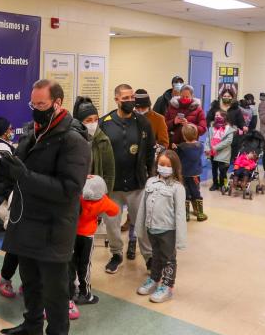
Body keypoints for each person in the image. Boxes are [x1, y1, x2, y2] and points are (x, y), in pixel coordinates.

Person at [0, 79, 90, 335]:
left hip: (53, 225)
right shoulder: (34, 132)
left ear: (57, 103)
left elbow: (68, 189)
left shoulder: (73, 140)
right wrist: (9, 163)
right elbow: (23, 166)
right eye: (32, 104)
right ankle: (32, 324)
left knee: (54, 288)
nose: (36, 110)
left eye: (41, 105)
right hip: (26, 220)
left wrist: (23, 175)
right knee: (31, 280)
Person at [101, 84, 155, 272]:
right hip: (112, 186)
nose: (130, 101)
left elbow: (150, 152)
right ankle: (116, 254)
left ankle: (149, 257)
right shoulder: (104, 123)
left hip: (137, 184)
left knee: (142, 223)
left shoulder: (143, 123)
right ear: (116, 99)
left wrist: (152, 178)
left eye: (132, 97)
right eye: (125, 98)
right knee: (112, 224)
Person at [134, 150, 187, 304]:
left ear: (174, 167)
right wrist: (140, 227)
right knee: (155, 254)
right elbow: (143, 207)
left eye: (168, 165)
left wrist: (180, 239)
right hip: (152, 228)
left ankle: (167, 287)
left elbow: (180, 215)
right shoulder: (150, 182)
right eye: (161, 164)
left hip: (167, 230)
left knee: (169, 258)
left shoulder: (178, 188)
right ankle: (154, 279)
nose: (163, 167)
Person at [70, 175, 119, 313]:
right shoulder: (103, 201)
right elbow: (114, 210)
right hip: (88, 237)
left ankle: (72, 289)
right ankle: (85, 294)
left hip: (73, 234)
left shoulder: (78, 197)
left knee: (72, 263)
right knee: (85, 265)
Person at [0, 118, 22, 298]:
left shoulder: (6, 144)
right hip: (5, 191)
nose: (12, 130)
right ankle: (5, 278)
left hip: (13, 188)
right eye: (9, 128)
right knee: (17, 242)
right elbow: (13, 165)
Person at [74, 96, 115, 192]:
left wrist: (105, 195)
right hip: (75, 193)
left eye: (96, 119)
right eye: (88, 120)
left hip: (96, 194)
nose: (93, 123)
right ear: (79, 122)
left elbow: (109, 173)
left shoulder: (103, 140)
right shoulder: (71, 139)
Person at [177, 124, 207, 221]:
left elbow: (178, 157)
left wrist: (175, 148)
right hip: (195, 174)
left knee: (185, 193)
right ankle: (200, 214)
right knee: (196, 192)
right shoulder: (200, 146)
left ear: (184, 135)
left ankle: (186, 215)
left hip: (184, 174)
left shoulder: (181, 147)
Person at [206, 113, 235, 192]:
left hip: (223, 153)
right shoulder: (212, 128)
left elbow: (228, 141)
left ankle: (223, 184)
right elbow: (208, 139)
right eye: (215, 115)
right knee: (214, 169)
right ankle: (215, 184)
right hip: (213, 152)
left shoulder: (229, 129)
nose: (217, 116)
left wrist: (216, 147)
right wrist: (207, 148)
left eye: (219, 115)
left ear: (225, 117)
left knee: (223, 170)